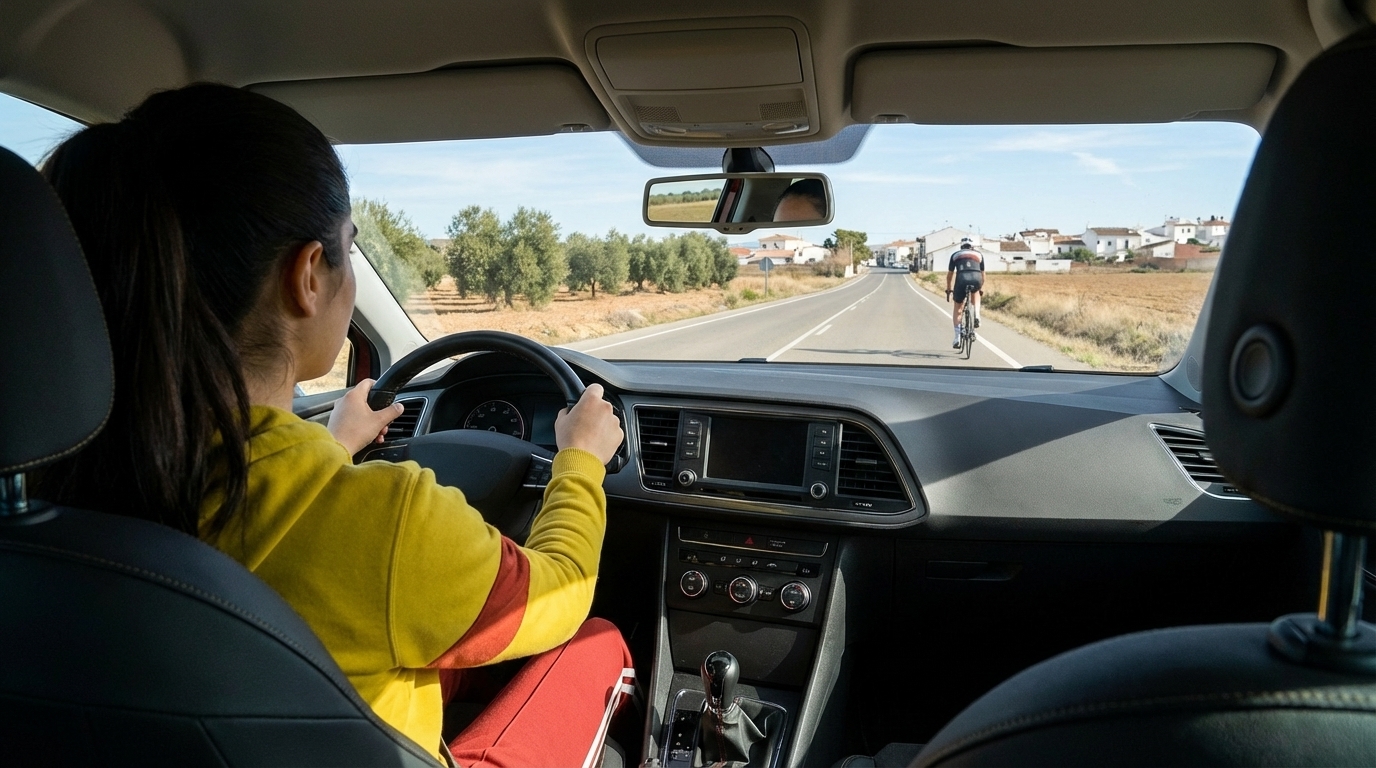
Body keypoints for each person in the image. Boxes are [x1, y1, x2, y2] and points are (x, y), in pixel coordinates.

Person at [35, 83, 630, 767]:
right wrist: (580, 461)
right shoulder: (385, 523)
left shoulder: (43, 490)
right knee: (597, 643)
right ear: (308, 276)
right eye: (348, 247)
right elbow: (563, 589)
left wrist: (333, 444)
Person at [945, 237, 985, 349]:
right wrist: (980, 287)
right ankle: (977, 314)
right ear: (972, 247)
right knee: (976, 292)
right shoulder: (979, 255)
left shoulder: (955, 255)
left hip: (961, 278)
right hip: (976, 278)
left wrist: (949, 289)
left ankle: (957, 337)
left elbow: (950, 275)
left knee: (958, 307)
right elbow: (983, 275)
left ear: (961, 246)